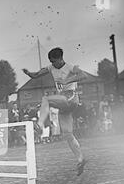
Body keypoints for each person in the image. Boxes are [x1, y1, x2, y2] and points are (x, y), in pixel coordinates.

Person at [23, 47, 88, 175]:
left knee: (46, 100)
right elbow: (36, 75)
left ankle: (40, 125)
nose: (53, 64)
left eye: (54, 61)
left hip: (71, 98)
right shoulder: (50, 68)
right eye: (51, 62)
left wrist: (68, 80)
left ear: (60, 59)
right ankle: (80, 159)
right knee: (68, 134)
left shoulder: (70, 67)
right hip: (64, 105)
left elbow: (83, 75)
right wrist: (29, 73)